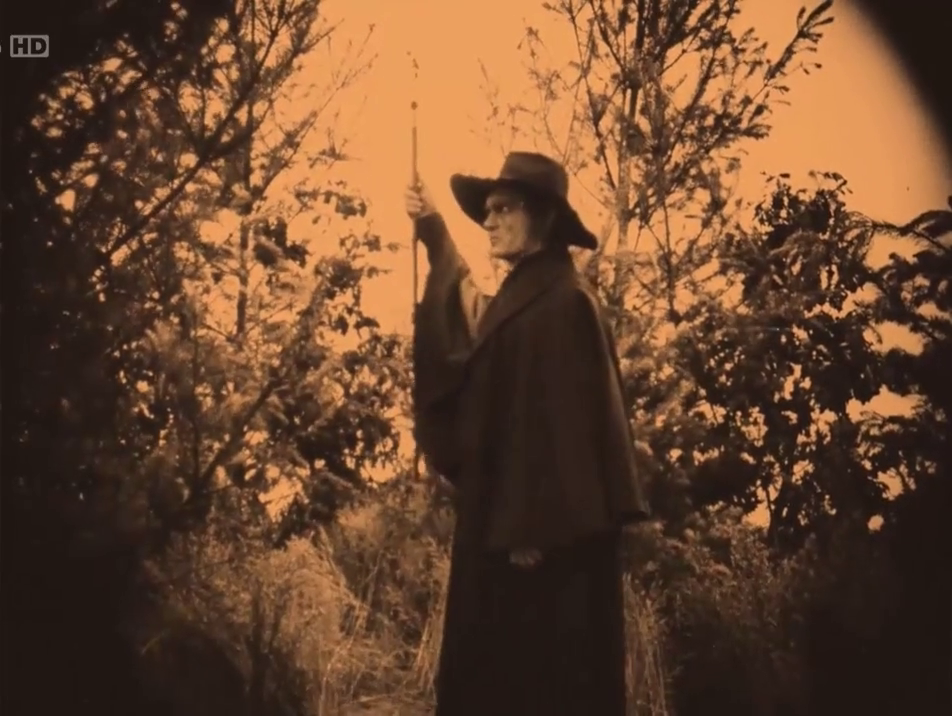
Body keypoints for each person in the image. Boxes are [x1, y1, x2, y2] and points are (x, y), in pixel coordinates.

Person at [405, 151, 650, 716]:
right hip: (505, 536)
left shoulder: (566, 304)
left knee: (540, 687)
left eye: (502, 209)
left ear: (541, 216)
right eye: (487, 211)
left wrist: (532, 528)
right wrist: (433, 228)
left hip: (542, 552)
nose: (488, 222)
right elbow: (467, 316)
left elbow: (569, 429)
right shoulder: (527, 297)